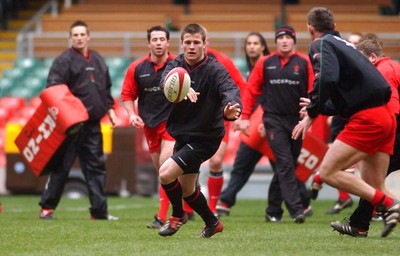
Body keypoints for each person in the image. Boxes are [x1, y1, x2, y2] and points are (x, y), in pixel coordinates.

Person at [292, 7, 399, 238]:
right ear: (334, 24)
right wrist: (319, 108)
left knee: (328, 172)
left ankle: (387, 203)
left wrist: (313, 109)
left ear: (310, 28)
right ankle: (363, 224)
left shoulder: (320, 44)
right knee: (375, 185)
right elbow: (347, 94)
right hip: (386, 117)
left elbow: (326, 79)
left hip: (367, 118)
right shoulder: (347, 46)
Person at [157, 23, 241, 238]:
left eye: (196, 42)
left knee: (165, 173)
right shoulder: (175, 65)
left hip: (206, 138)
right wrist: (181, 87)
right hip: (184, 135)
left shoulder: (215, 69)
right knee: (187, 190)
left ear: (206, 44)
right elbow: (164, 81)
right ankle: (213, 223)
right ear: (182, 44)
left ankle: (177, 216)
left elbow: (230, 89)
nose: (192, 46)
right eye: (188, 42)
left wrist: (230, 108)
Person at [38, 20, 118, 220]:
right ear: (70, 38)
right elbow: (53, 90)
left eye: (82, 34)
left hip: (92, 125)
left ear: (88, 37)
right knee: (62, 167)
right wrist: (69, 116)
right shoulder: (63, 61)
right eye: (75, 35)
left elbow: (106, 88)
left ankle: (99, 212)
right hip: (71, 126)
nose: (79, 38)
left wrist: (110, 109)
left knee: (96, 167)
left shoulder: (98, 59)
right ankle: (47, 208)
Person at [240, 25, 314, 223]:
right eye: (280, 38)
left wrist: (311, 114)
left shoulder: (305, 63)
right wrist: (245, 117)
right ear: (275, 42)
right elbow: (251, 90)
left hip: (296, 121)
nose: (283, 41)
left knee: (287, 165)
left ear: (293, 40)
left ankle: (273, 210)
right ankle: (296, 209)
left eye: (287, 38)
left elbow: (313, 91)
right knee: (285, 163)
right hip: (273, 120)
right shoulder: (265, 62)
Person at [330, 38, 400, 237]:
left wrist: (378, 140)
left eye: (362, 62)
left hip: (395, 130)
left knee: (372, 181)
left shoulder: (383, 71)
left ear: (372, 57)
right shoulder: (391, 66)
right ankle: (359, 224)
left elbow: (393, 109)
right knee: (373, 181)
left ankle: (360, 224)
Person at [121, 25, 180, 229]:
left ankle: (162, 216)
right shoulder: (137, 68)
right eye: (154, 39)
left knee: (165, 166)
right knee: (163, 173)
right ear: (149, 43)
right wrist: (131, 115)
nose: (158, 43)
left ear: (167, 42)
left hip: (173, 123)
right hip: (150, 125)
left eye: (162, 39)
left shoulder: (178, 66)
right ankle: (187, 204)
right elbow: (127, 95)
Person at [308, 32, 365, 214]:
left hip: (363, 120)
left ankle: (321, 180)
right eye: (352, 43)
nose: (354, 46)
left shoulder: (366, 69)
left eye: (358, 43)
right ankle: (346, 199)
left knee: (354, 164)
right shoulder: (343, 64)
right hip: (342, 117)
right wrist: (333, 111)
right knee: (338, 157)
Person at [217, 32, 270, 217]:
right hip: (253, 125)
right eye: (249, 43)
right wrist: (243, 117)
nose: (252, 46)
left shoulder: (269, 65)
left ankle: (297, 205)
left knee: (283, 168)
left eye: (256, 43)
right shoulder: (249, 68)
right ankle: (225, 201)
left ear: (263, 46)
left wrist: (264, 119)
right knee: (242, 164)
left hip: (270, 122)